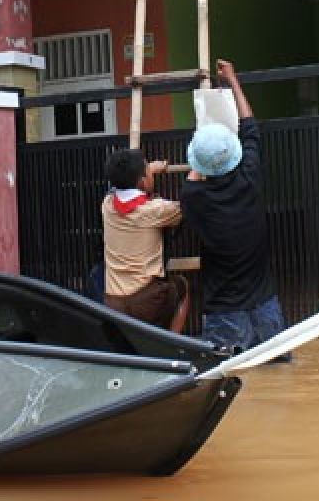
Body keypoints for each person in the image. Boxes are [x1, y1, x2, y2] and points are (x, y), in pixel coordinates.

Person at [181, 59, 288, 356]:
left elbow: (194, 172)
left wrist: (204, 136)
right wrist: (232, 80)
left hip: (224, 312)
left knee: (226, 380)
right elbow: (250, 127)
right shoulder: (250, 176)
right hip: (265, 308)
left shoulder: (194, 198)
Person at [101, 149, 190, 332]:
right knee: (182, 286)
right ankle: (172, 344)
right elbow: (188, 204)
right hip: (147, 300)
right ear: (142, 180)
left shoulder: (107, 206)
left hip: (113, 301)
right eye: (148, 170)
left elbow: (118, 191)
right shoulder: (156, 210)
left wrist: (148, 170)